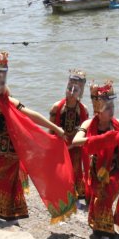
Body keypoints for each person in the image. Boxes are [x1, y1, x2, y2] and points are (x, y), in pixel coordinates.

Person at [0, 50, 77, 227]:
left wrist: (55, 128)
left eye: (1, 83)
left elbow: (31, 115)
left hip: (7, 151)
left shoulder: (6, 102)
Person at [72, 80, 119, 239]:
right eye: (107, 107)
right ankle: (100, 229)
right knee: (97, 200)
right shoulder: (89, 124)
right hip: (97, 169)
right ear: (98, 110)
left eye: (112, 106)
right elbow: (77, 141)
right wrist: (101, 139)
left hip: (116, 169)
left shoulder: (118, 124)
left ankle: (106, 234)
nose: (112, 111)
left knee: (104, 198)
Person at [49, 69, 89, 208]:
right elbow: (51, 129)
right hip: (61, 145)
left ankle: (75, 196)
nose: (71, 92)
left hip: (76, 147)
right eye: (69, 88)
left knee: (76, 169)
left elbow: (85, 131)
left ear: (80, 93)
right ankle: (62, 195)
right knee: (61, 170)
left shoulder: (83, 110)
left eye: (75, 90)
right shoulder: (57, 107)